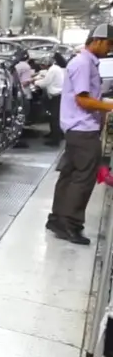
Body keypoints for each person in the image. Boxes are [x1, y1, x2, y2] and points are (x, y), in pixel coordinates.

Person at [47, 24, 113, 245]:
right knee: (83, 178)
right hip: (83, 130)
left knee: (69, 175)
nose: (110, 49)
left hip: (76, 129)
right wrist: (110, 106)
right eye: (109, 44)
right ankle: (70, 224)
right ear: (97, 41)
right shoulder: (84, 63)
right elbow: (83, 100)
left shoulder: (84, 62)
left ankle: (57, 219)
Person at [35, 52, 67, 146]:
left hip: (56, 96)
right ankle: (55, 134)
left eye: (42, 65)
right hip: (58, 95)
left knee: (54, 118)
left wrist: (35, 82)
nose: (41, 66)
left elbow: (45, 83)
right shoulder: (55, 68)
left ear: (46, 64)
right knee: (55, 117)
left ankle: (55, 140)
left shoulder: (53, 70)